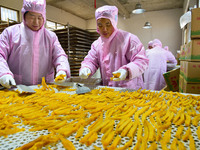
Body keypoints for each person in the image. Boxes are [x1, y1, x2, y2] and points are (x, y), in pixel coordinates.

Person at [0, 0, 70, 88]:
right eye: (32, 17)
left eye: (40, 17)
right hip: (16, 88)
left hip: (45, 88)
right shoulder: (10, 33)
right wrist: (3, 73)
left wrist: (62, 70)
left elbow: (60, 56)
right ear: (24, 15)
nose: (36, 22)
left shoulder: (51, 37)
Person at [79, 5, 149, 90]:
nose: (104, 29)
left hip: (130, 90)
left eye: (108, 24)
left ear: (114, 22)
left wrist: (126, 71)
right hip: (109, 90)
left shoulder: (129, 39)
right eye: (100, 25)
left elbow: (142, 61)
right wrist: (87, 68)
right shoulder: (96, 44)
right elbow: (91, 60)